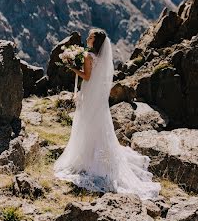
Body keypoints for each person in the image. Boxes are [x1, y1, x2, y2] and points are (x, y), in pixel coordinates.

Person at [53, 28, 161, 200]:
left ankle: (87, 157)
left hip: (89, 93)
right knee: (95, 123)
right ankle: (94, 154)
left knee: (86, 122)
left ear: (95, 41)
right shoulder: (97, 57)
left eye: (91, 36)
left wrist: (72, 68)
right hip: (96, 96)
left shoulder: (89, 56)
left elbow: (87, 77)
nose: (88, 37)